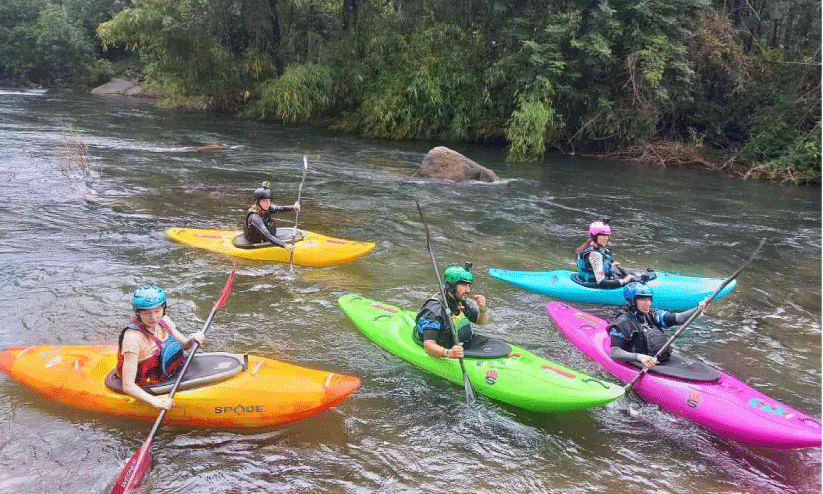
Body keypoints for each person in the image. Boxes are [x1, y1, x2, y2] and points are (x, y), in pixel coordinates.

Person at [116, 284, 204, 409]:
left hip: (168, 373)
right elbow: (128, 386)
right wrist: (156, 402)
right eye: (146, 313)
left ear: (163, 309)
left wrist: (193, 339)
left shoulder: (164, 321)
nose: (153, 317)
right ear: (138, 313)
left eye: (157, 311)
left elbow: (185, 346)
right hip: (145, 384)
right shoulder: (132, 338)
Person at [608, 282, 707, 369]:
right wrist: (639, 357)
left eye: (649, 299)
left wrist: (697, 310)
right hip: (640, 363)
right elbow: (614, 352)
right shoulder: (623, 321)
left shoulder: (652, 314)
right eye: (643, 299)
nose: (648, 303)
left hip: (660, 359)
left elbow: (677, 318)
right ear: (632, 301)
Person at [414, 264, 490, 359]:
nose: (468, 290)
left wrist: (483, 308)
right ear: (451, 286)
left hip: (458, 344)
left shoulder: (462, 302)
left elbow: (482, 322)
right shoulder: (434, 310)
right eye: (463, 285)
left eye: (469, 285)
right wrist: (448, 353)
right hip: (442, 348)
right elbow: (428, 345)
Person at [575, 219, 635, 288]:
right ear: (595, 236)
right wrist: (625, 280)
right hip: (592, 285)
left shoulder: (589, 245)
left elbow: (591, 266)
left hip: (587, 280)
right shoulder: (595, 255)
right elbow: (602, 283)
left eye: (607, 236)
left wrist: (610, 266)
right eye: (603, 236)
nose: (606, 238)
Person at [243, 182, 301, 250]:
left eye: (269, 200)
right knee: (267, 234)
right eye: (264, 201)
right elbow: (267, 235)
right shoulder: (255, 217)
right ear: (257, 202)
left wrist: (294, 207)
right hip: (259, 241)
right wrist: (285, 245)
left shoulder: (266, 208)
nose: (267, 203)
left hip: (267, 235)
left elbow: (281, 208)